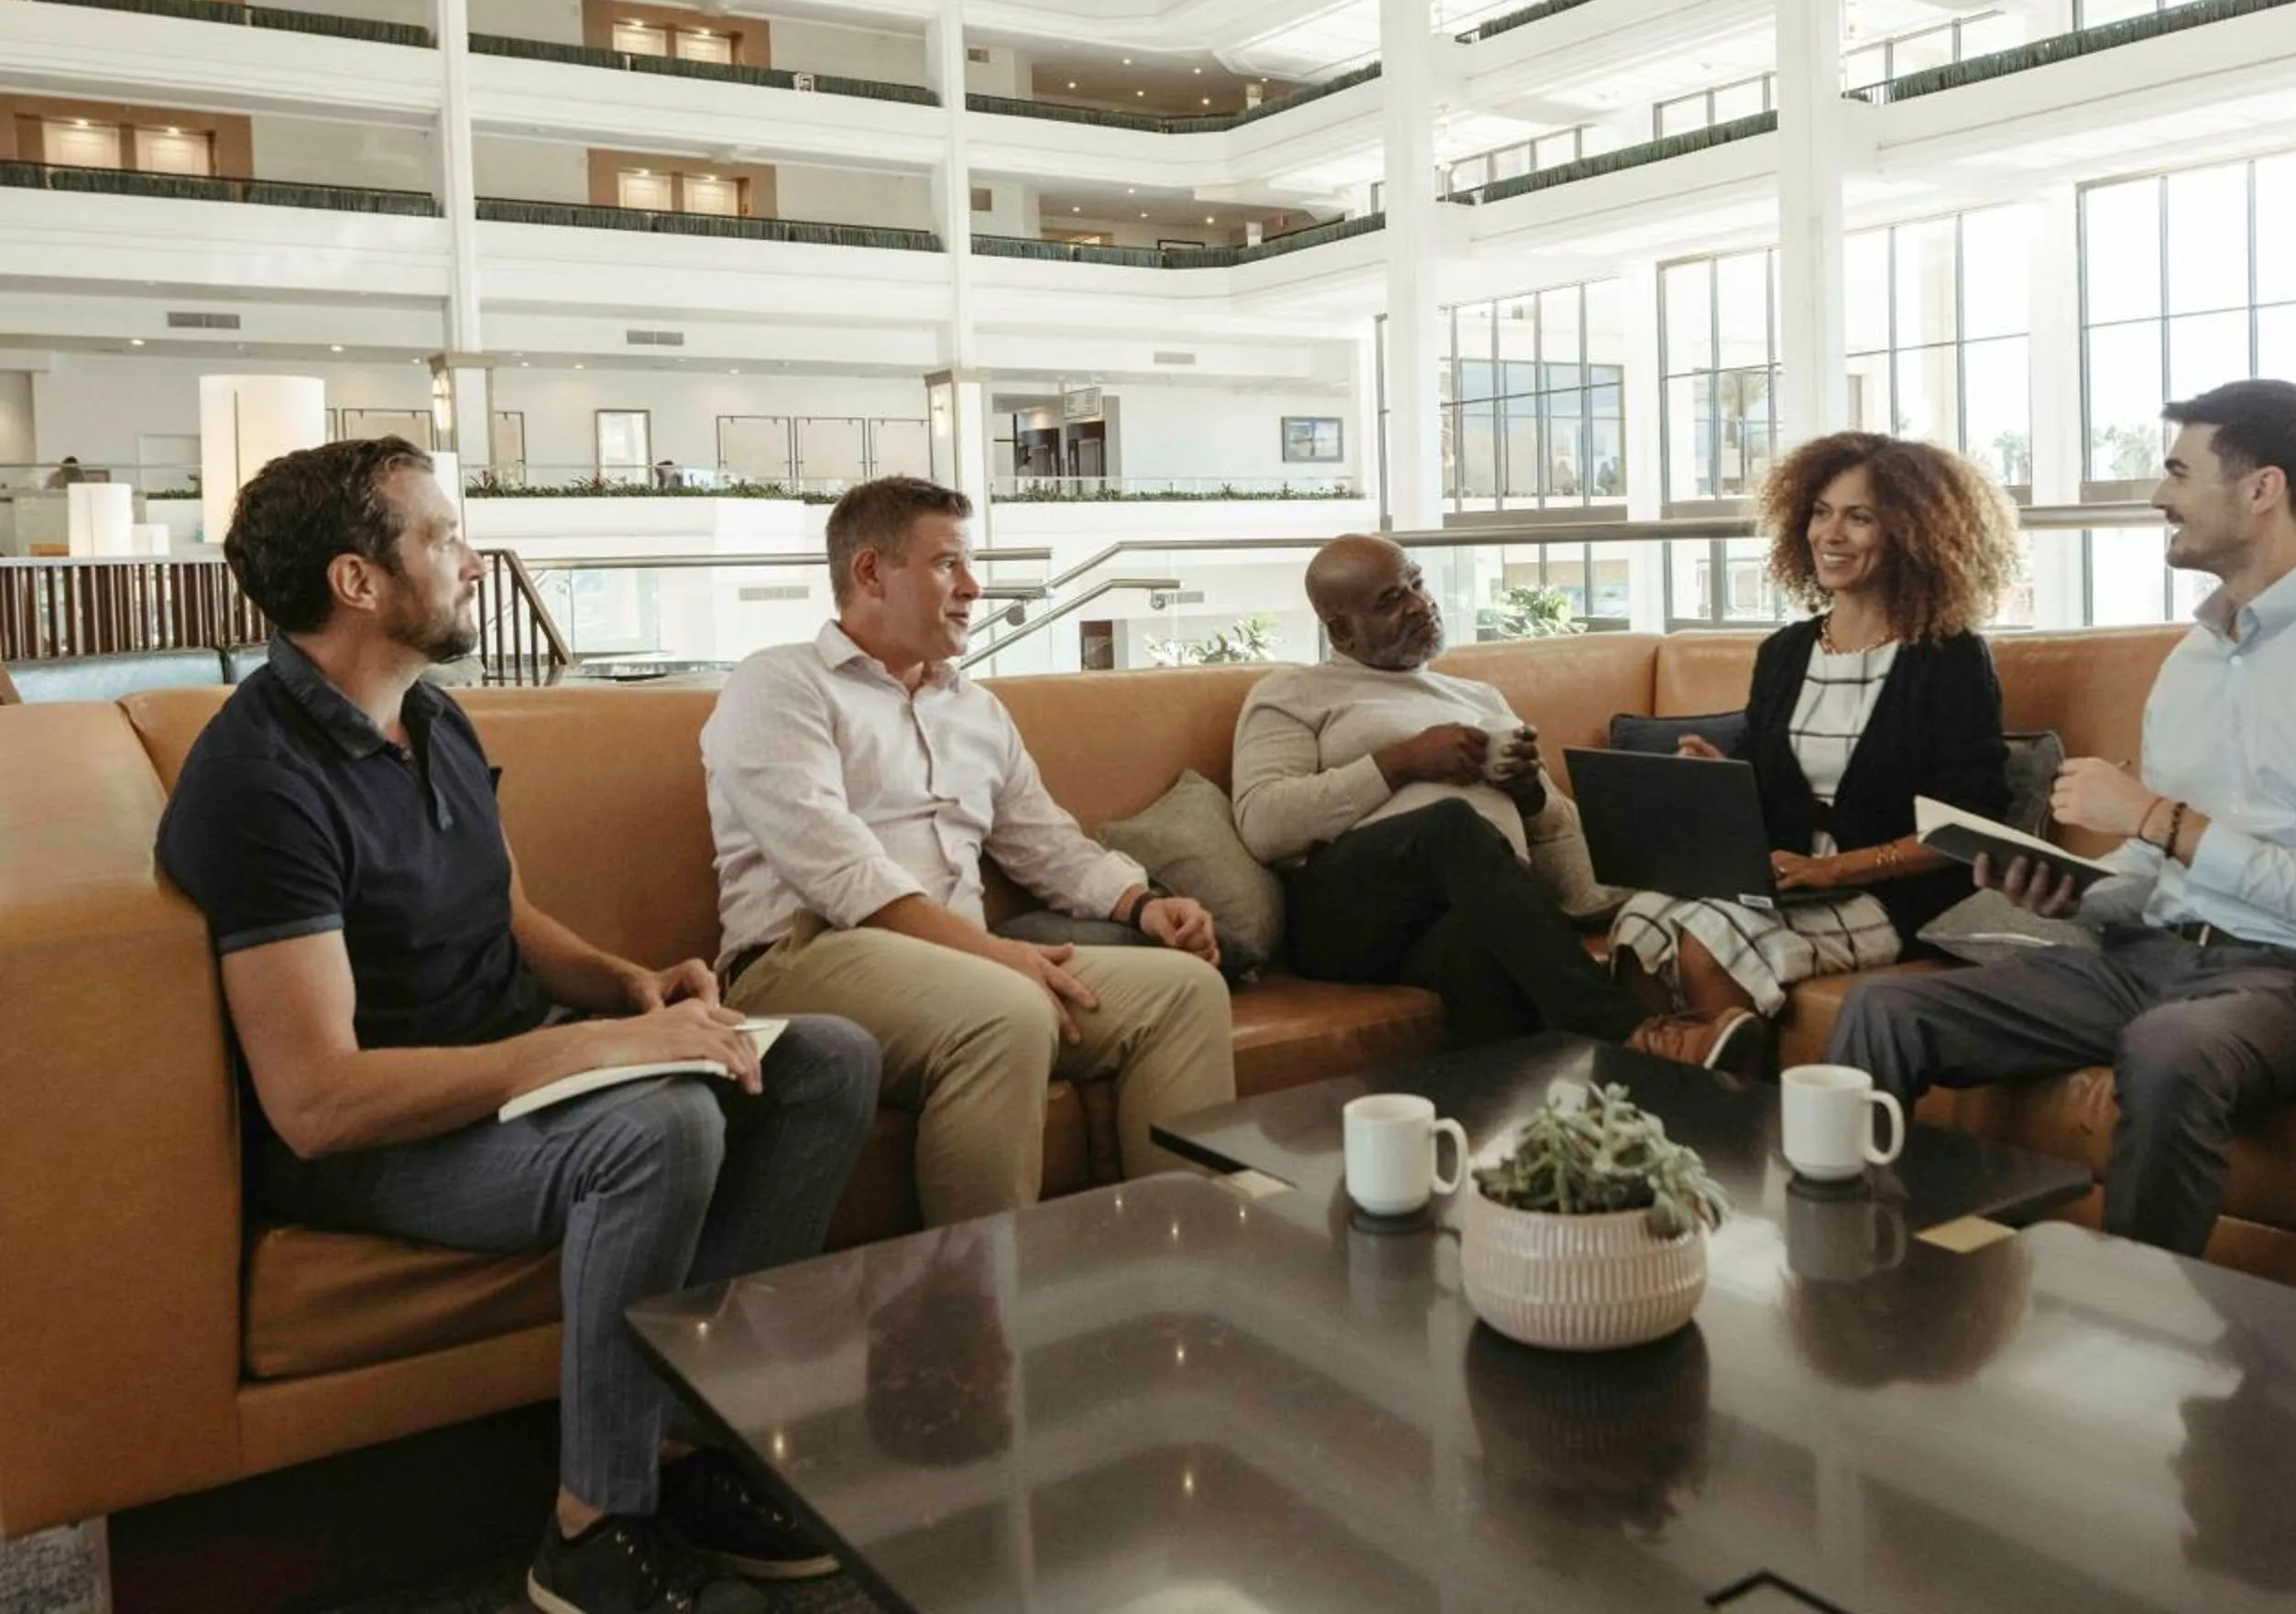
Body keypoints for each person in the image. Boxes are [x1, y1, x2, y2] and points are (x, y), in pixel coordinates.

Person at [154, 437, 882, 1614]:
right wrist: (597, 1050)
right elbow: (319, 1099)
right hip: (380, 1135)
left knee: (827, 1061)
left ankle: (691, 1450)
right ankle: (590, 1525)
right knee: (662, 1129)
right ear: (359, 581)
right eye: (443, 537)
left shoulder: (424, 713)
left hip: (507, 1074)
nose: (476, 559)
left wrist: (628, 987)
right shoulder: (260, 781)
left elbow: (499, 906)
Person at [1829, 380, 2296, 1257]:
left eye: (2178, 471)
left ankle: (2141, 1328)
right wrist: (2067, 893)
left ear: (2261, 490)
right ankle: (1857, 1269)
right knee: (1883, 1012)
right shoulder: (2192, 661)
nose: (2158, 496)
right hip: (2145, 958)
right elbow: (2151, 875)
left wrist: (2161, 819)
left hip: (2286, 979)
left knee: (2171, 1049)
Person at [702, 476, 1235, 1230]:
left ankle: (1185, 1263)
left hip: (962, 967)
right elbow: (837, 868)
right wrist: (992, 957)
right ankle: (974, 1317)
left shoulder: (976, 709)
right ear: (869, 573)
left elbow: (1043, 841)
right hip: (802, 961)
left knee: (1185, 992)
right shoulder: (779, 684)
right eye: (948, 564)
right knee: (1006, 1011)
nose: (973, 588)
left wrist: (1144, 906)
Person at [1232, 534, 1761, 1073]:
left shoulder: (1478, 698)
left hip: (1455, 911)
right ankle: (1628, 1033)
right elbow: (1263, 823)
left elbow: (1559, 845)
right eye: (1391, 600)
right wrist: (1402, 762)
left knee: (1482, 955)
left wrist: (1530, 796)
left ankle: (1513, 1136)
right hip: (1343, 917)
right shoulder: (1294, 692)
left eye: (1416, 582)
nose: (1419, 603)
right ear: (1341, 629)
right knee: (1450, 824)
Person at [1609, 433, 2017, 1027]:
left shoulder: (1948, 657)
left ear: (1912, 533)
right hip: (1789, 888)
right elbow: (1763, 780)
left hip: (1891, 898)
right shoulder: (1786, 651)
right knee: (1640, 922)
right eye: (1821, 513)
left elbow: (1971, 821)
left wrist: (1837, 868)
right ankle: (1665, 1099)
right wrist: (1717, 778)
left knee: (1708, 940)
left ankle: (1737, 1109)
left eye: (1859, 518)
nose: (1831, 534)